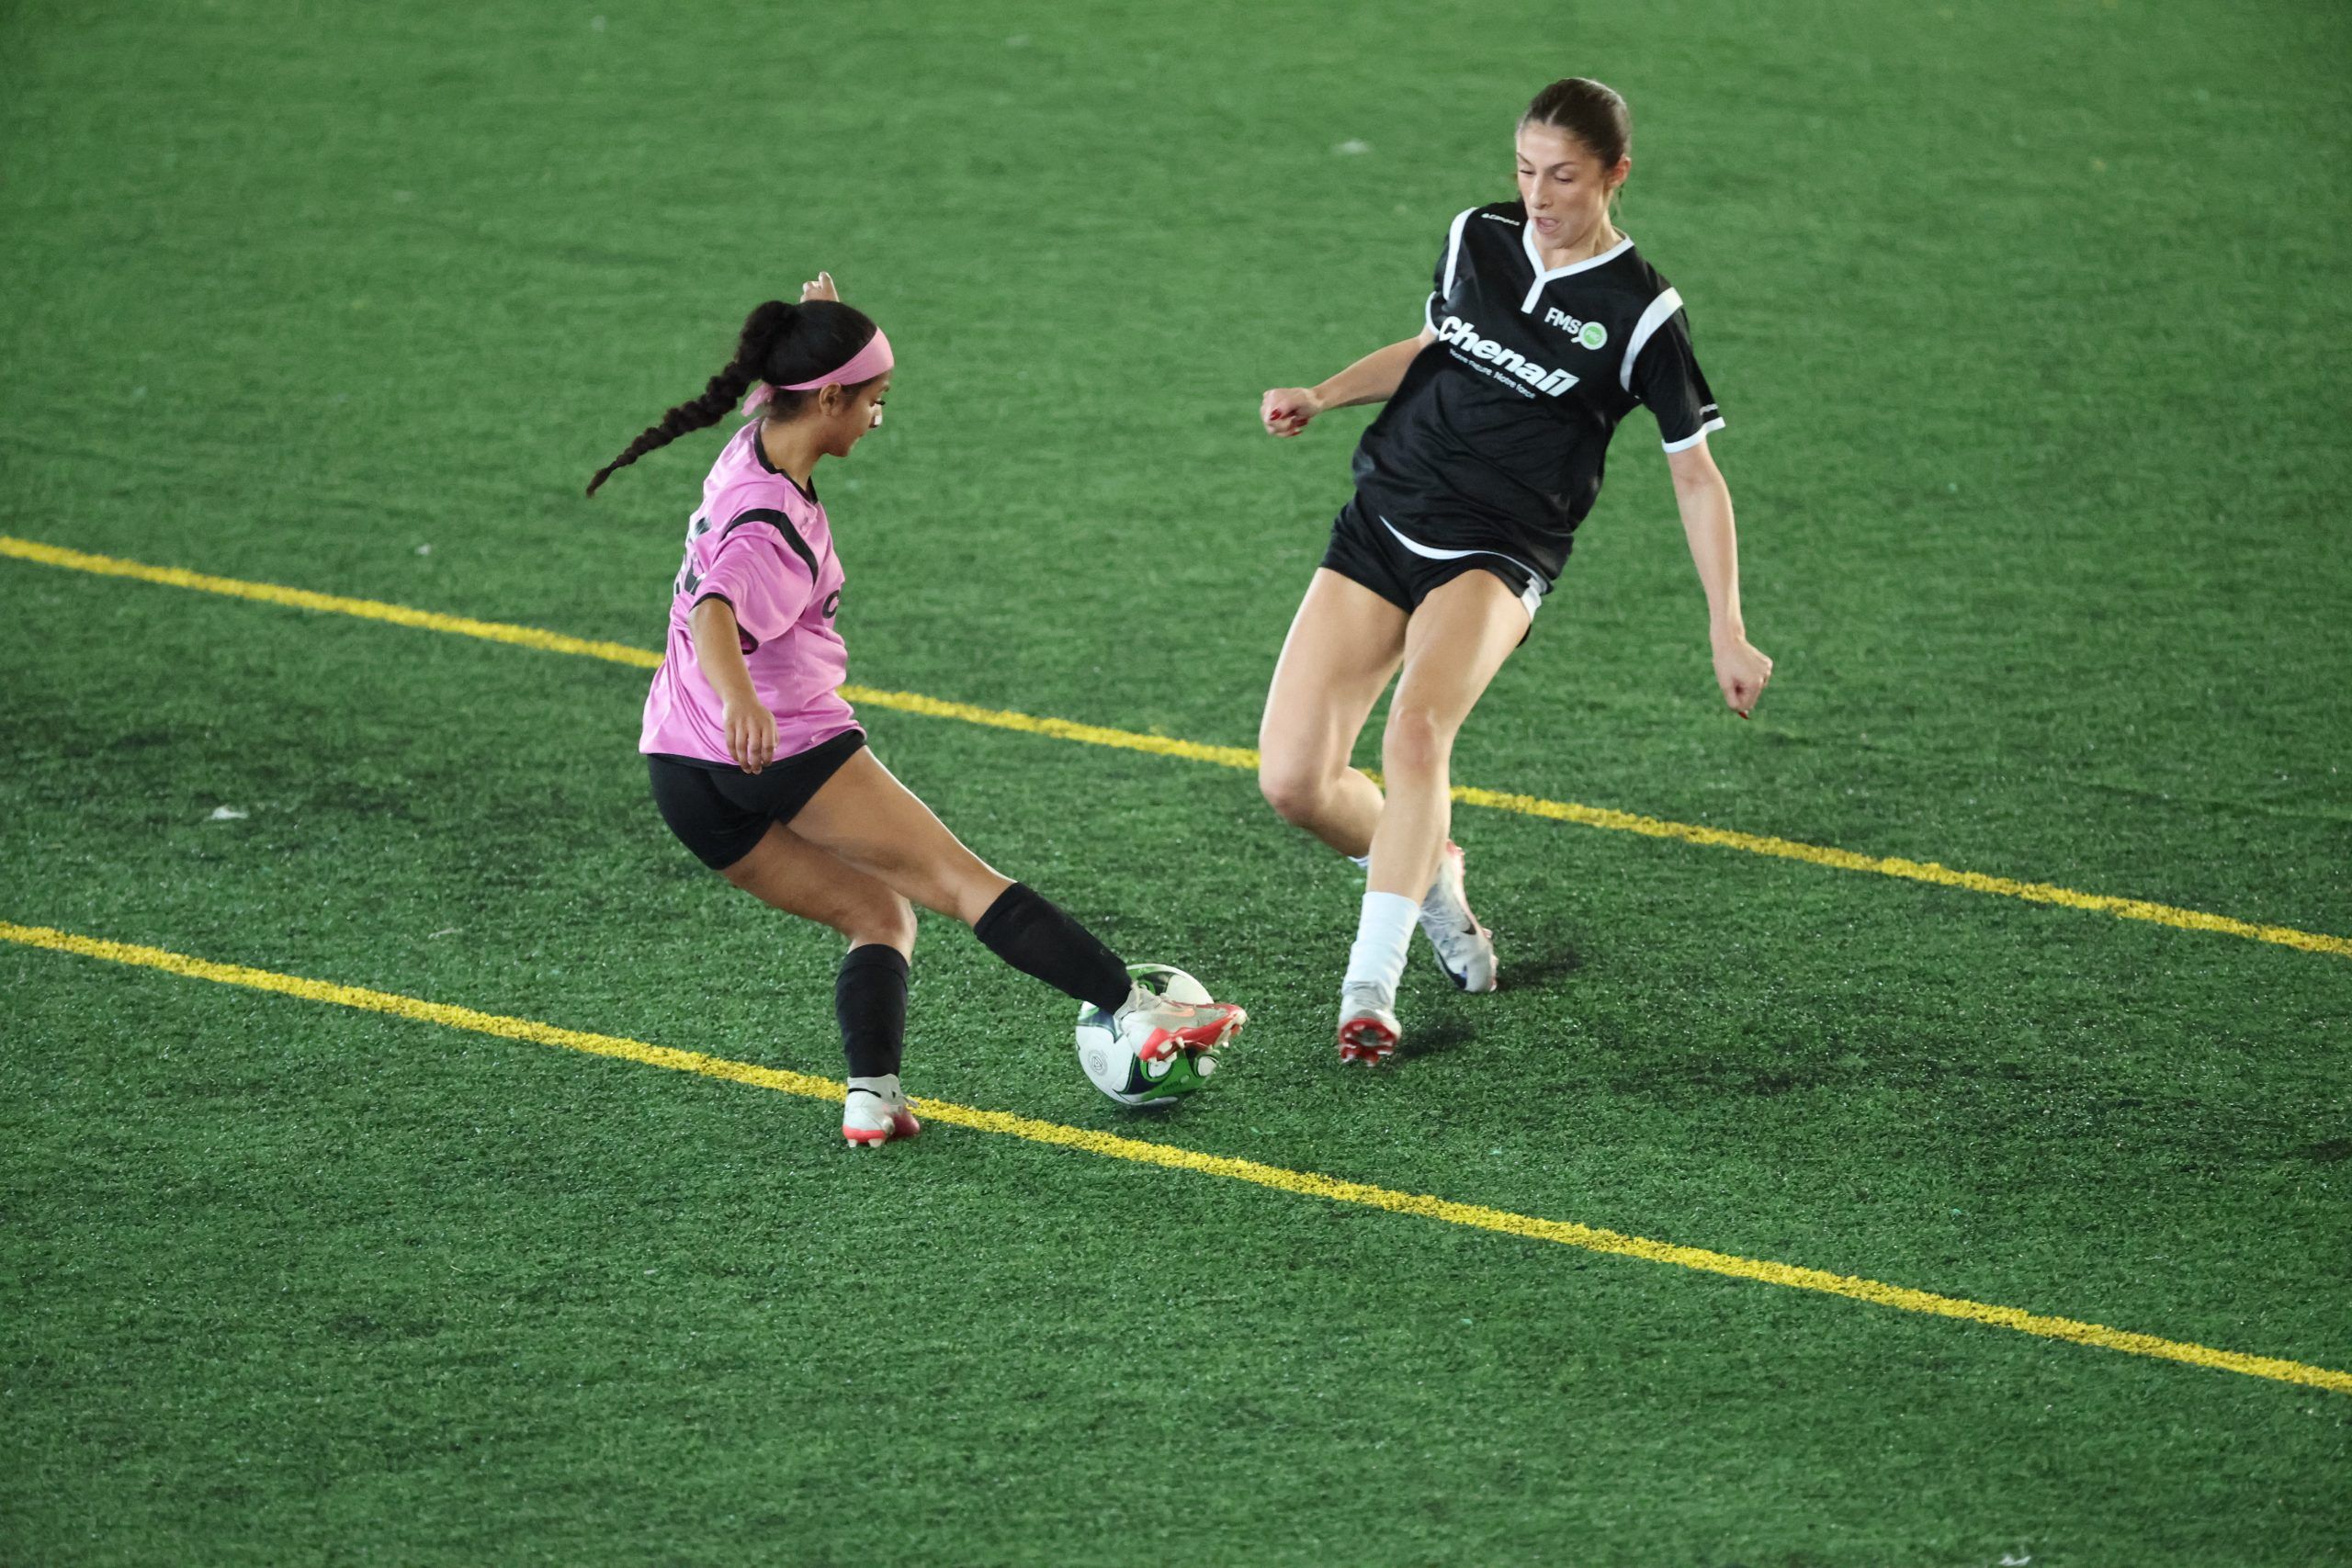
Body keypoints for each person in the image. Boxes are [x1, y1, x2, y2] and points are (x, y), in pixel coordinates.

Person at [588, 274, 1246, 1144]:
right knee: (963, 883)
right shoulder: (771, 525)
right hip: (780, 750)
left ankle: (873, 1098)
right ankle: (1138, 1009)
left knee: (878, 914)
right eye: (874, 399)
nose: (878, 418)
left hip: (680, 770)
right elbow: (716, 608)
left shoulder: (752, 444)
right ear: (828, 398)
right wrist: (742, 697)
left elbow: (785, 399)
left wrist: (822, 316)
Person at [1255, 78, 1772, 1063]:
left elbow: (1696, 475)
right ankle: (1431, 871)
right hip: (1385, 516)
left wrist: (1727, 626)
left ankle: (1370, 986)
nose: (1539, 195)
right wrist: (1322, 394)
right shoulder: (1477, 237)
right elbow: (1431, 346)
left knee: (1416, 735)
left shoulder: (1642, 313)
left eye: (1563, 176)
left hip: (1498, 548)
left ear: (1615, 174)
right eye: (1527, 170)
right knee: (1292, 782)